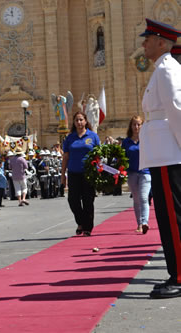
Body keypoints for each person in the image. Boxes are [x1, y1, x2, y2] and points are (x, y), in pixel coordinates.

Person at [137, 18, 181, 299]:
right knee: (167, 216)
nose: (144, 43)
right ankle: (175, 272)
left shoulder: (167, 69)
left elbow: (177, 109)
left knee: (172, 217)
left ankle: (178, 276)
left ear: (161, 43)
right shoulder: (162, 69)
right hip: (163, 151)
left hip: (168, 151)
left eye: (148, 39)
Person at [61, 111, 100, 237]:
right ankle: (81, 222)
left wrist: (99, 171)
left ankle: (87, 227)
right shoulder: (70, 138)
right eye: (77, 120)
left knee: (88, 200)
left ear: (85, 121)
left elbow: (98, 155)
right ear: (74, 122)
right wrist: (63, 175)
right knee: (73, 200)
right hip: (73, 173)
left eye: (81, 120)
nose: (79, 122)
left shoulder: (93, 136)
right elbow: (65, 157)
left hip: (89, 173)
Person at [122, 116, 151, 234]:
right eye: (134, 124)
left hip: (146, 172)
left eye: (139, 124)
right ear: (131, 126)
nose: (136, 127)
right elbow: (122, 157)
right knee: (136, 198)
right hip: (132, 173)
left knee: (144, 197)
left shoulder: (148, 139)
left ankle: (144, 222)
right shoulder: (126, 142)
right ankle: (139, 223)